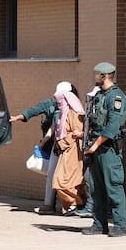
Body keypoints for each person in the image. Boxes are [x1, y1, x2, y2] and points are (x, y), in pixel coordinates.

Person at [9, 81, 73, 215]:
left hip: (68, 147)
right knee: (51, 175)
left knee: (66, 176)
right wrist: (20, 117)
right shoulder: (51, 106)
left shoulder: (73, 107)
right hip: (54, 146)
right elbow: (34, 111)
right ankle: (50, 204)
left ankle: (68, 205)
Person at [82, 62, 126, 237]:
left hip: (108, 149)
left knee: (114, 187)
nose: (95, 77)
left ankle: (120, 225)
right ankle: (99, 224)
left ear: (105, 76)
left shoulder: (116, 97)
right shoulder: (100, 95)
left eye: (97, 75)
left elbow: (112, 128)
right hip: (96, 148)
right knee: (96, 188)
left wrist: (94, 146)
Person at [52, 86, 85, 215]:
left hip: (72, 150)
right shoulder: (63, 112)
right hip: (65, 151)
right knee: (66, 180)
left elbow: (78, 132)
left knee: (61, 181)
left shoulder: (74, 112)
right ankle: (72, 205)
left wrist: (64, 141)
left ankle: (75, 203)